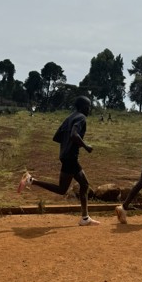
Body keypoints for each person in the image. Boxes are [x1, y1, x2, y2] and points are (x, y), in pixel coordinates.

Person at [18, 96, 100, 226]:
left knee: (84, 185)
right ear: (83, 107)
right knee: (63, 189)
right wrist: (85, 146)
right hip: (70, 157)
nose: (89, 109)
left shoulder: (69, 118)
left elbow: (56, 137)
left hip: (66, 155)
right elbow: (74, 135)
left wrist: (69, 143)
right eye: (88, 106)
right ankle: (31, 180)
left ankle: (85, 218)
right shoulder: (81, 118)